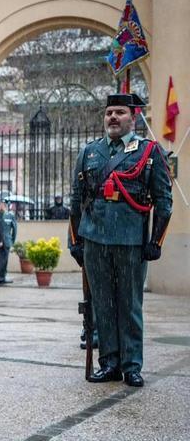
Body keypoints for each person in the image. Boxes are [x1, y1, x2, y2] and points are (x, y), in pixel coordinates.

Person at [69, 93, 172, 388]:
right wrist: (76, 242)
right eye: (109, 113)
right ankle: (110, 363)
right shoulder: (90, 152)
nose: (113, 118)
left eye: (120, 113)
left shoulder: (149, 152)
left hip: (130, 240)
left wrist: (156, 241)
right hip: (94, 240)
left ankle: (132, 365)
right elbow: (77, 202)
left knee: (129, 304)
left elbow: (164, 201)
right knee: (101, 304)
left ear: (134, 117)